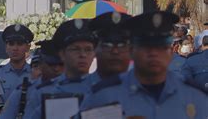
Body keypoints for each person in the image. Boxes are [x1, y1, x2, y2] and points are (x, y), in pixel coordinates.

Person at [80, 11, 208, 118]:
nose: (153, 53)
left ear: (171, 52)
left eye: (160, 47)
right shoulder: (103, 96)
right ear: (131, 51)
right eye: (146, 47)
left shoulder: (195, 95)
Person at [24, 19, 97, 119]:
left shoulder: (105, 89)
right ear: (62, 54)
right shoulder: (44, 92)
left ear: (94, 54)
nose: (83, 55)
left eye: (88, 49)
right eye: (75, 49)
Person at [0, 39, 64, 119]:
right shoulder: (23, 91)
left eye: (57, 65)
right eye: (36, 67)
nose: (41, 71)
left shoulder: (71, 88)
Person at [0, 24, 33, 117]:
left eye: (20, 44)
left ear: (27, 47)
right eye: (11, 44)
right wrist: (0, 112)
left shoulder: (36, 74)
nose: (15, 48)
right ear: (6, 47)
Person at [87, 11, 132, 83]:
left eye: (121, 45)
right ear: (95, 49)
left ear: (131, 50)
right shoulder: (77, 90)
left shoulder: (146, 92)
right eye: (108, 45)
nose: (115, 51)